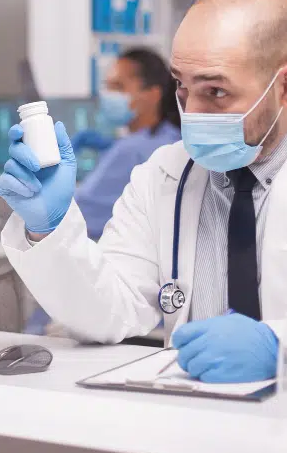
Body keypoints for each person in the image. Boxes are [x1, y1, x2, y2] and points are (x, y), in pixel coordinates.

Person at [0, 0, 287, 453]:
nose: (192, 112)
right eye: (182, 88)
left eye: (216, 92)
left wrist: (283, 347)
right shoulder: (164, 174)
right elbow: (111, 311)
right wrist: (48, 225)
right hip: (187, 437)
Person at [24, 48, 181, 334]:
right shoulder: (162, 142)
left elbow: (74, 213)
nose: (108, 95)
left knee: (40, 329)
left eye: (118, 87)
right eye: (108, 86)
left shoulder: (132, 150)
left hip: (118, 291)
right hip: (149, 297)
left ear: (152, 94)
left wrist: (40, 199)